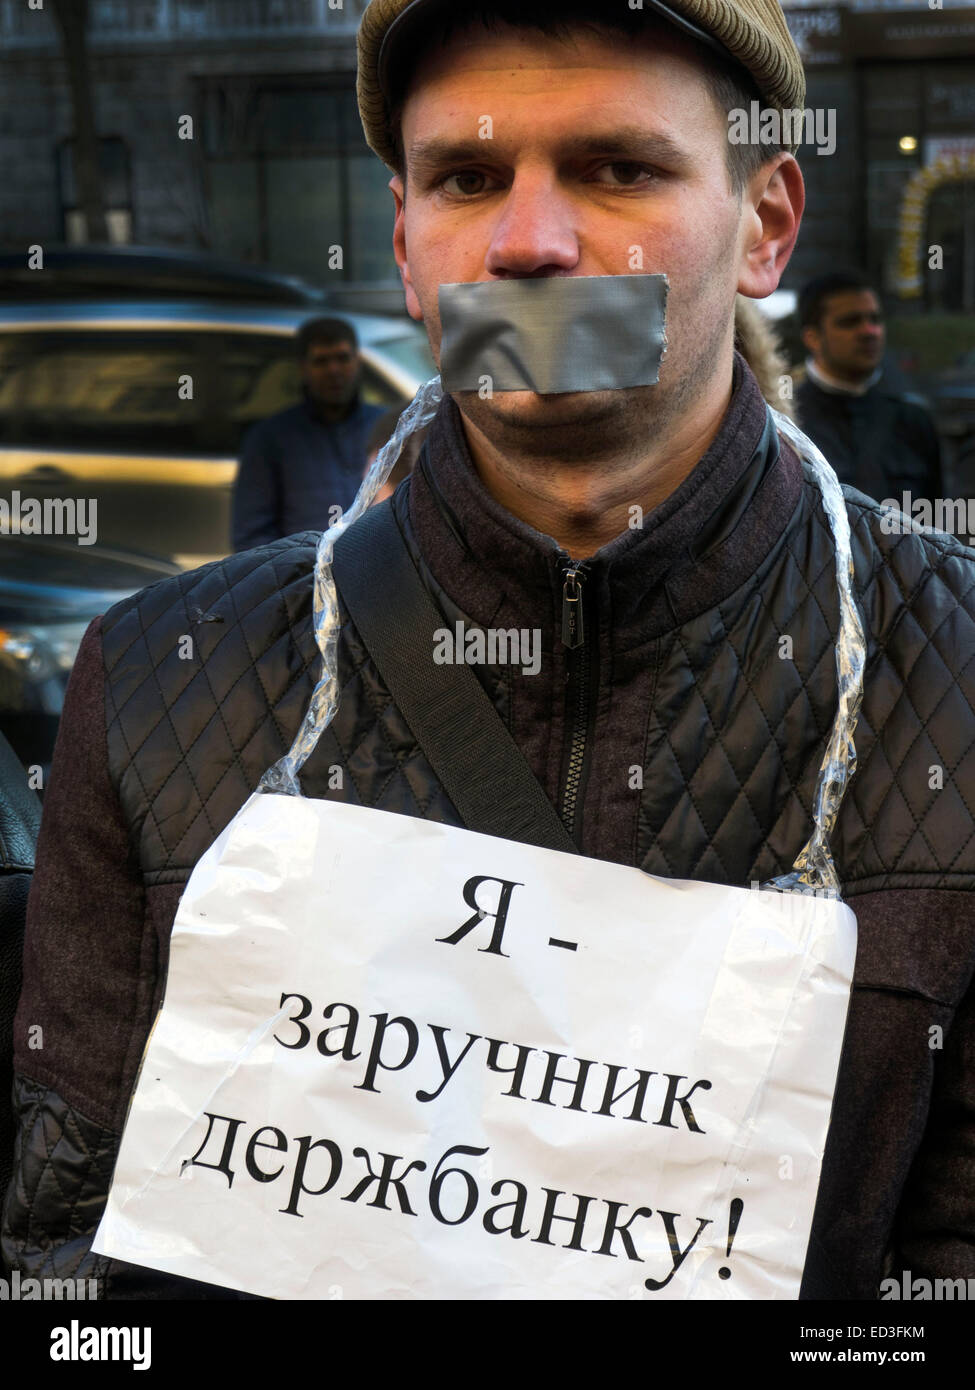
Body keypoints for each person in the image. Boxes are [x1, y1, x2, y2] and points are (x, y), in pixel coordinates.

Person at [4, 0, 975, 1303]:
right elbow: (76, 1243)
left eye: (616, 168)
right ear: (407, 248)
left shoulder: (951, 674)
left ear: (763, 225)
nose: (529, 244)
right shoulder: (156, 675)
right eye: (466, 179)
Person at [231, 316, 385, 551]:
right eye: (321, 361)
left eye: (342, 358)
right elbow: (251, 539)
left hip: (378, 574)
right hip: (303, 581)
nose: (334, 370)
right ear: (303, 368)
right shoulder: (270, 439)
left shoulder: (386, 428)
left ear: (357, 362)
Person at [796, 271, 943, 506]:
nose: (869, 331)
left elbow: (939, 527)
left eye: (875, 319)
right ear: (813, 338)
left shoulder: (912, 420)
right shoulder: (787, 422)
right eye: (850, 322)